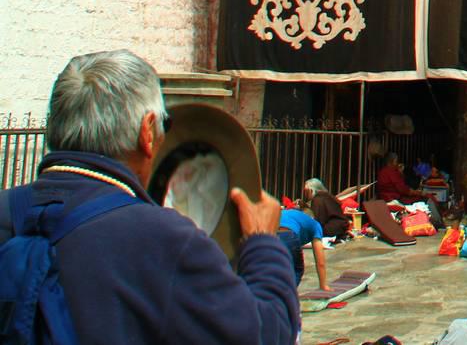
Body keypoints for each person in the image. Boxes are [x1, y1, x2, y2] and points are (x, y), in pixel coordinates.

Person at [0, 50, 297, 344]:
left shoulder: (6, 209)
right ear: (148, 131)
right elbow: (265, 334)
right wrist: (262, 243)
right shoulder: (164, 239)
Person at [277, 205, 329, 291]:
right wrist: (323, 285)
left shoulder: (289, 214)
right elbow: (320, 261)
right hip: (287, 234)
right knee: (296, 270)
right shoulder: (314, 224)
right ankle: (284, 295)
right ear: (312, 217)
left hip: (265, 234)